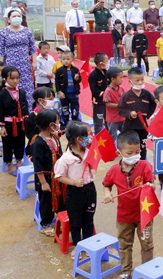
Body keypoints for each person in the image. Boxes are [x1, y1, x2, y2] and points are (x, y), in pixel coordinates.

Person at [102, 131, 155, 279]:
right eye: (130, 152)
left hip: (144, 215)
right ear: (119, 152)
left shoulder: (145, 166)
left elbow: (151, 182)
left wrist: (151, 186)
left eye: (137, 151)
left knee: (147, 245)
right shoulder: (113, 170)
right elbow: (107, 185)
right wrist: (107, 194)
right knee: (125, 245)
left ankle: (147, 271)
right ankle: (126, 271)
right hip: (124, 216)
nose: (135, 155)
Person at [54, 121, 96, 258]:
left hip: (90, 190)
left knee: (89, 220)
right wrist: (73, 182)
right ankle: (78, 246)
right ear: (79, 139)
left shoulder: (89, 151)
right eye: (88, 136)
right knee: (76, 222)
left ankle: (89, 246)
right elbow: (59, 176)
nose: (90, 138)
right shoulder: (65, 159)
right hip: (75, 193)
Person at [32, 108, 64, 236]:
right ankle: (46, 224)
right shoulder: (38, 142)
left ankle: (60, 218)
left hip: (57, 176)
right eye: (57, 122)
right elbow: (38, 166)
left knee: (60, 197)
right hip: (45, 178)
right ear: (51, 125)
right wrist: (43, 183)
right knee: (46, 201)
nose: (59, 124)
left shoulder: (54, 137)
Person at [0, 9, 38, 107]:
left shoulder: (27, 31)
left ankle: (28, 109)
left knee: (26, 86)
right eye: (14, 16)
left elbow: (33, 48)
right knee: (12, 83)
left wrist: (34, 62)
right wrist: (1, 65)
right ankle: (12, 108)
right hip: (10, 62)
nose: (16, 18)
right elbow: (1, 50)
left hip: (25, 63)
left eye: (18, 16)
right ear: (8, 19)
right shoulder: (3, 32)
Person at [118, 67, 157, 160]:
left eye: (142, 80)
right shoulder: (126, 96)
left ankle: (142, 163)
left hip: (143, 127)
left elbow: (153, 104)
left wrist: (147, 114)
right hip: (130, 127)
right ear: (130, 81)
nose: (140, 82)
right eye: (137, 80)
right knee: (130, 147)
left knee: (142, 147)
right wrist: (129, 113)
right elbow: (120, 109)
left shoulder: (147, 94)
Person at [0, 65, 29, 175]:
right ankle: (9, 165)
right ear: (5, 79)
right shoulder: (2, 94)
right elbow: (0, 111)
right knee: (7, 144)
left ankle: (19, 163)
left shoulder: (22, 92)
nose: (15, 81)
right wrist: (2, 126)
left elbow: (25, 106)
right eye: (12, 78)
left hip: (20, 123)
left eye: (17, 78)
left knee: (20, 143)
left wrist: (26, 119)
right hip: (8, 124)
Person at [25, 87, 57, 157]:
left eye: (53, 99)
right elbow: (28, 132)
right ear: (40, 100)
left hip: (52, 142)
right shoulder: (33, 115)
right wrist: (38, 137)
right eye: (50, 99)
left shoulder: (53, 113)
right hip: (38, 145)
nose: (52, 101)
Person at [55, 51, 82, 127]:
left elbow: (79, 80)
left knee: (75, 108)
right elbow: (57, 82)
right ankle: (65, 122)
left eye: (68, 59)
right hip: (64, 93)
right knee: (64, 108)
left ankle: (75, 121)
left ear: (72, 59)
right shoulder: (59, 70)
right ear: (61, 60)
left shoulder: (75, 70)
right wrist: (59, 92)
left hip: (74, 93)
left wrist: (77, 78)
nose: (66, 61)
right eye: (63, 59)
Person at [88, 53, 109, 134]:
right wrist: (105, 93)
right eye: (106, 61)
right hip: (98, 101)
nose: (107, 63)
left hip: (107, 101)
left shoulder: (106, 72)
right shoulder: (93, 75)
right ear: (101, 63)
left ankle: (109, 136)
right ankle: (98, 137)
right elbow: (94, 90)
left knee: (108, 120)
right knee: (98, 122)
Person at [103, 67, 125, 144]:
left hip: (122, 117)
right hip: (112, 119)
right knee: (112, 136)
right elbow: (107, 104)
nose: (122, 79)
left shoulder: (121, 88)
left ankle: (122, 149)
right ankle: (111, 152)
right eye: (120, 77)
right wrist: (119, 105)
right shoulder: (108, 91)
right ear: (112, 79)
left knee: (125, 134)